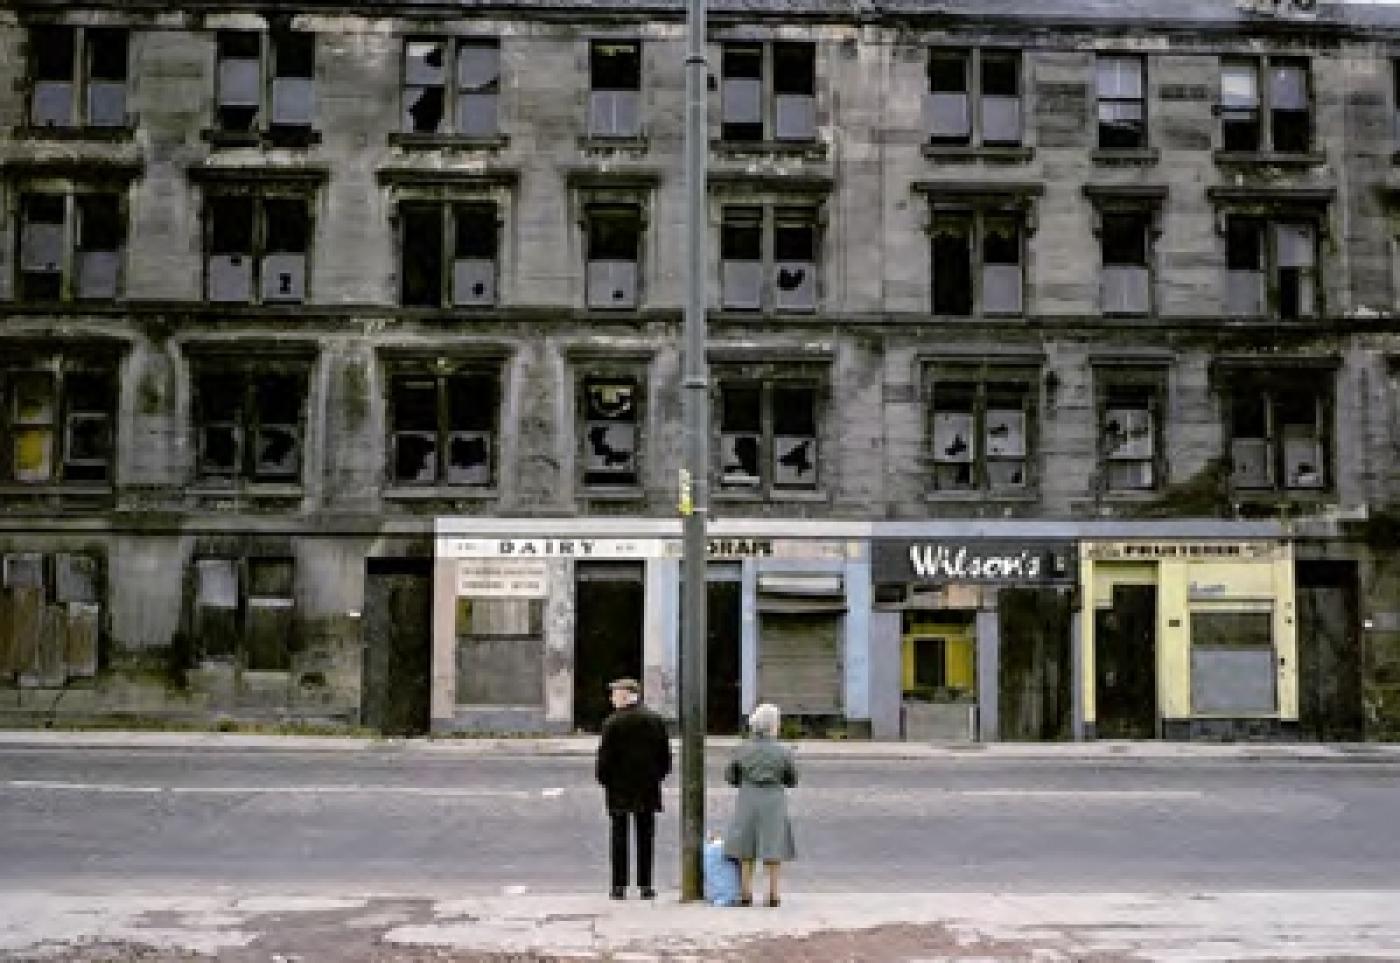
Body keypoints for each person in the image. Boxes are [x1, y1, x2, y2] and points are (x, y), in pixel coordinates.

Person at [594, 677, 672, 900]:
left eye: (615, 694)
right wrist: (655, 777)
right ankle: (646, 886)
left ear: (627, 695)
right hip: (647, 786)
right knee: (646, 836)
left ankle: (618, 886)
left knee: (619, 836)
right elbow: (664, 758)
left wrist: (606, 780)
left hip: (619, 788)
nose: (612, 698)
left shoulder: (613, 723)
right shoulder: (655, 720)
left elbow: (604, 759)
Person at [723, 702, 797, 907]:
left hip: (747, 797)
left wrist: (745, 782)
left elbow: (730, 776)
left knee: (745, 845)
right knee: (773, 845)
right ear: (773, 725)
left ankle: (745, 893)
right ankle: (773, 894)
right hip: (773, 799)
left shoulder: (742, 749)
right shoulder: (783, 751)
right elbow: (791, 779)